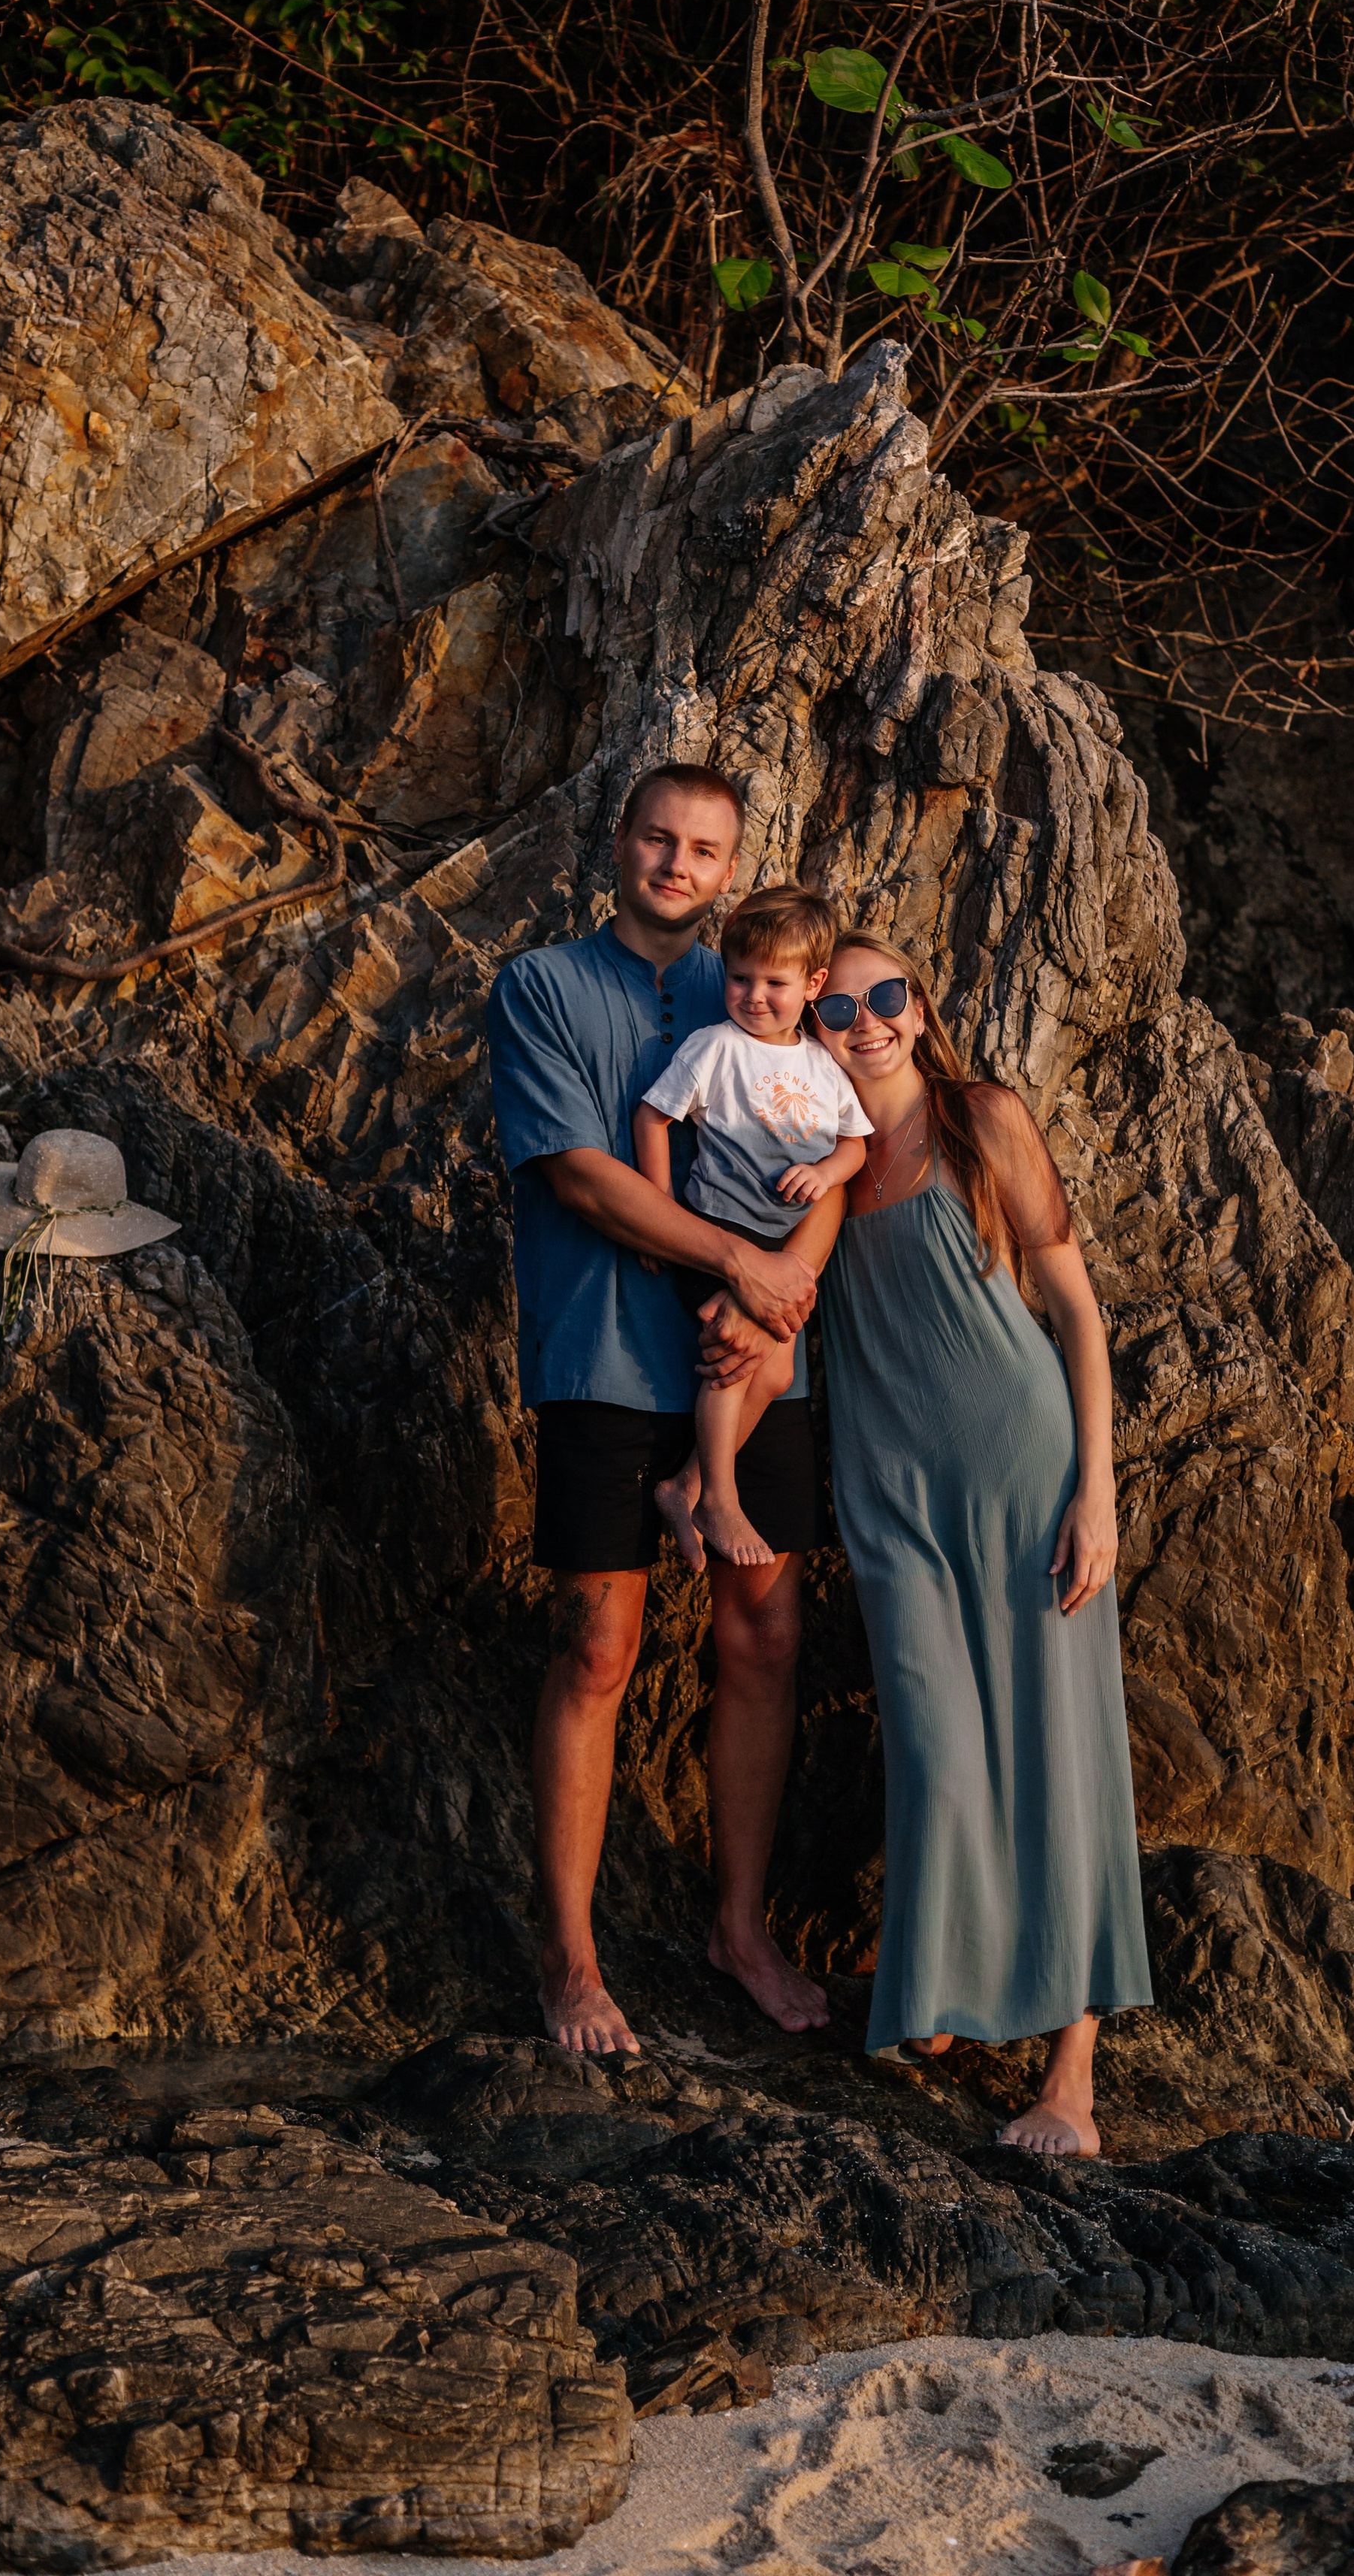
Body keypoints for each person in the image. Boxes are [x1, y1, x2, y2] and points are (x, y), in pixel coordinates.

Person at [486, 764, 838, 2057]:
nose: (676, 864)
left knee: (764, 1636)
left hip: (757, 1364)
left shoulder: (758, 985)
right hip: (604, 1359)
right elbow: (583, 1177)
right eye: (656, 838)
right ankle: (568, 1959)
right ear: (617, 842)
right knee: (596, 1647)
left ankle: (737, 1931)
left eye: (703, 848)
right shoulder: (541, 988)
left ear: (728, 866)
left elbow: (848, 1140)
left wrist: (784, 1281)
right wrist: (735, 1261)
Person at [811, 930, 1153, 2156]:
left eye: (889, 995)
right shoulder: (819, 1163)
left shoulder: (980, 1120)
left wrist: (1096, 1489)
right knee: (938, 1750)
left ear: (921, 1003)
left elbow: (1074, 1309)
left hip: (1027, 1472)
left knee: (1062, 1753)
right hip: (894, 1495)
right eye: (840, 1005)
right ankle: (947, 1988)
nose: (870, 1022)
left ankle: (1072, 2079)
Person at [636, 884, 870, 1573]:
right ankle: (720, 1500)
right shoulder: (715, 1047)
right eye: (740, 978)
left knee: (769, 1371)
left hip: (782, 1245)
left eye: (775, 982)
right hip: (719, 1230)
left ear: (813, 984)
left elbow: (854, 1144)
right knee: (731, 1373)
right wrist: (659, 1214)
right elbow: (655, 1117)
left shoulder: (824, 1066)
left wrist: (827, 1173)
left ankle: (687, 1484)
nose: (754, 995)